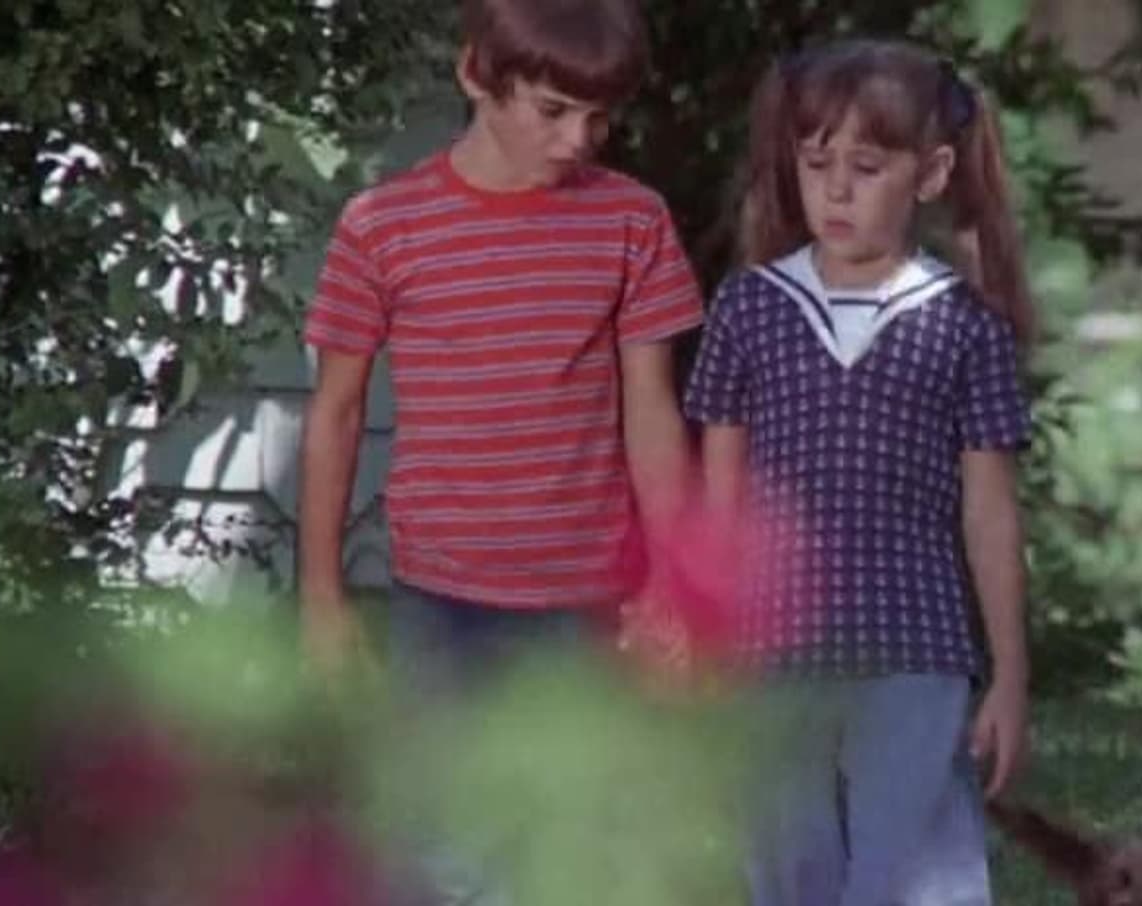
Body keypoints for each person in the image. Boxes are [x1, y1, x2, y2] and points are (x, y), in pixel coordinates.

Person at [683, 38, 1035, 906]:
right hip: (773, 651)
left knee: (918, 883)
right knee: (789, 879)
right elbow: (722, 494)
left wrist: (1011, 674)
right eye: (817, 162)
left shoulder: (964, 325)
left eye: (868, 167)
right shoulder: (750, 307)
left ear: (931, 173)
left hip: (916, 649)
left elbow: (990, 513)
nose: (837, 189)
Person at [297, 0, 704, 696]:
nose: (578, 140)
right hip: (439, 599)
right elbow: (336, 412)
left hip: (588, 598)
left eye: (599, 117)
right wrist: (320, 600)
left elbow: (651, 411)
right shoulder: (383, 225)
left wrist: (672, 581)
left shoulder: (633, 219)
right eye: (553, 111)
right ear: (476, 75)